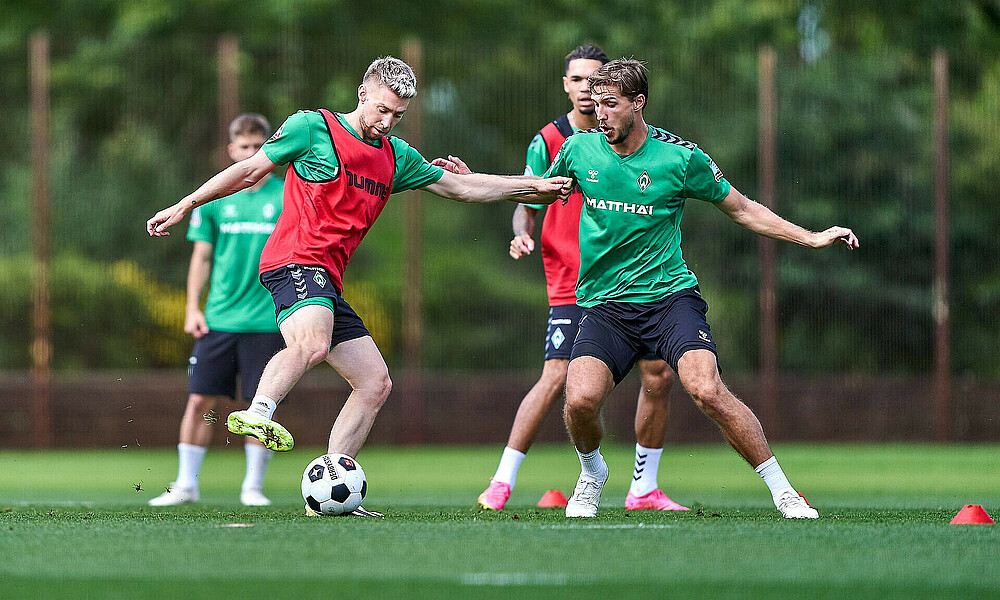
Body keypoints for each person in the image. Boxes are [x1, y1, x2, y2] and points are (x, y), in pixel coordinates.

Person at [147, 56, 572, 516]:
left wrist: (534, 188)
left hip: (327, 280)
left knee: (374, 382)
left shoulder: (396, 157)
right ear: (362, 94)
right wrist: (186, 203)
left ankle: (330, 489)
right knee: (312, 343)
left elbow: (461, 188)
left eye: (399, 115)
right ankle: (259, 412)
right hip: (293, 261)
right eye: (383, 110)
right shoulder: (313, 127)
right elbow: (249, 171)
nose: (388, 122)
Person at [546, 58, 859, 518]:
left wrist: (810, 237)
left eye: (610, 105)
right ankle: (592, 473)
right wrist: (473, 181)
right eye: (595, 105)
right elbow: (539, 190)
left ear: (638, 103)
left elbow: (743, 209)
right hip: (605, 306)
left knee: (706, 388)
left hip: (669, 299)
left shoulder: (680, 158)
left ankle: (784, 492)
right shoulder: (578, 150)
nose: (600, 114)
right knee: (579, 400)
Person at [475, 46, 687, 512]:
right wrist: (520, 233)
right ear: (567, 85)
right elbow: (527, 198)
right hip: (572, 278)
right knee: (557, 377)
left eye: (596, 82)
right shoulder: (551, 139)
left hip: (634, 280)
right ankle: (502, 481)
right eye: (578, 80)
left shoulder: (639, 140)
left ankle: (643, 488)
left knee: (661, 373)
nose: (587, 91)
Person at [148, 113, 284, 507]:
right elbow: (202, 258)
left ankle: (253, 487)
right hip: (220, 319)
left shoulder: (286, 195)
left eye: (260, 147)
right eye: (245, 148)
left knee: (258, 407)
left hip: (268, 320)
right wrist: (193, 307)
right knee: (199, 402)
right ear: (231, 151)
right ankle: (186, 484)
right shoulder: (214, 199)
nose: (252, 154)